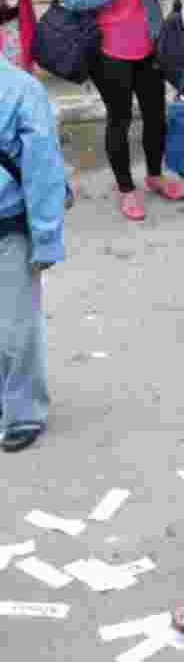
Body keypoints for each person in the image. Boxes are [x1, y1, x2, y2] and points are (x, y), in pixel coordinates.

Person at [62, 0, 181, 222]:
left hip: (149, 42)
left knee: (157, 114)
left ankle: (155, 175)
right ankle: (126, 188)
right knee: (120, 118)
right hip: (107, 48)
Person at [0, 55, 66, 453]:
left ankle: (23, 411)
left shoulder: (22, 91)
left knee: (16, 326)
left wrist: (45, 239)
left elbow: (43, 170)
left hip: (10, 226)